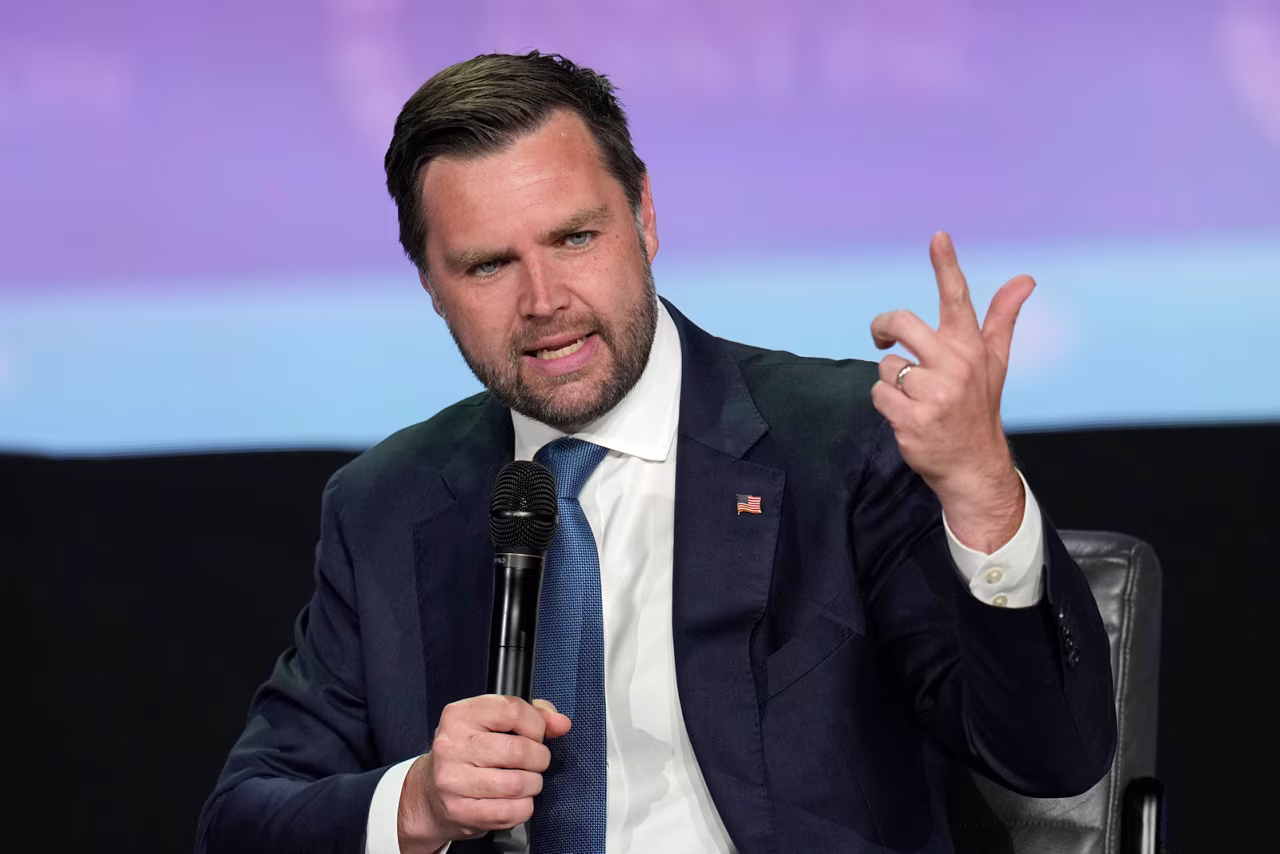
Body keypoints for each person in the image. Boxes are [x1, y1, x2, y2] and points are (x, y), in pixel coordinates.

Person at [197, 52, 1115, 854]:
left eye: (574, 237)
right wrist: (419, 803)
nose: (544, 298)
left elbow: (1049, 757)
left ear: (643, 214)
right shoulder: (387, 503)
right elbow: (243, 819)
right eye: (487, 265)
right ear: (432, 286)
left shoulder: (839, 441)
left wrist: (984, 491)